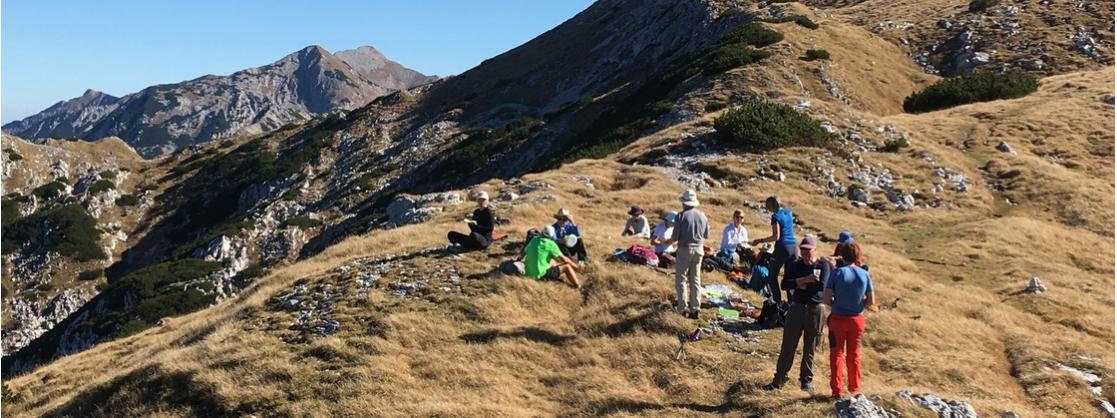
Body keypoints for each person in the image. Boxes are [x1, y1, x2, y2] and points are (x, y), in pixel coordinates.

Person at [763, 235, 831, 393]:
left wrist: (799, 283)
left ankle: (806, 379)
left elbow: (820, 288)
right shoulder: (794, 264)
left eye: (808, 250)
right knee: (788, 345)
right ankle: (779, 379)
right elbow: (784, 284)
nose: (805, 253)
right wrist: (805, 280)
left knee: (810, 347)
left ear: (815, 250)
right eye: (803, 250)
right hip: (797, 307)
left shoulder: (823, 266)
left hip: (816, 309)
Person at [824, 243, 875, 399]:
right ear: (856, 256)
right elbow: (871, 300)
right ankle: (854, 388)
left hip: (837, 320)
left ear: (842, 256)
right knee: (854, 355)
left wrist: (836, 304)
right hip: (856, 320)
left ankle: (837, 390)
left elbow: (826, 299)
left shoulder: (836, 273)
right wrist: (860, 305)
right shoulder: (864, 274)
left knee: (836, 354)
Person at [664, 190, 708, 319]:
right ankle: (695, 308)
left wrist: (666, 242)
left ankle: (682, 308)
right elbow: (706, 235)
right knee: (695, 279)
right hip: (699, 249)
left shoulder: (680, 216)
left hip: (684, 249)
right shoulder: (702, 215)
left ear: (684, 203)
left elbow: (675, 237)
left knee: (681, 279)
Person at [750, 196, 797, 303]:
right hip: (794, 248)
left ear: (772, 205)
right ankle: (791, 305)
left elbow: (776, 236)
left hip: (782, 248)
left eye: (767, 204)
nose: (766, 207)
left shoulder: (775, 216)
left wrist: (760, 240)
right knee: (789, 278)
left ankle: (777, 303)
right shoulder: (788, 212)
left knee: (772, 275)